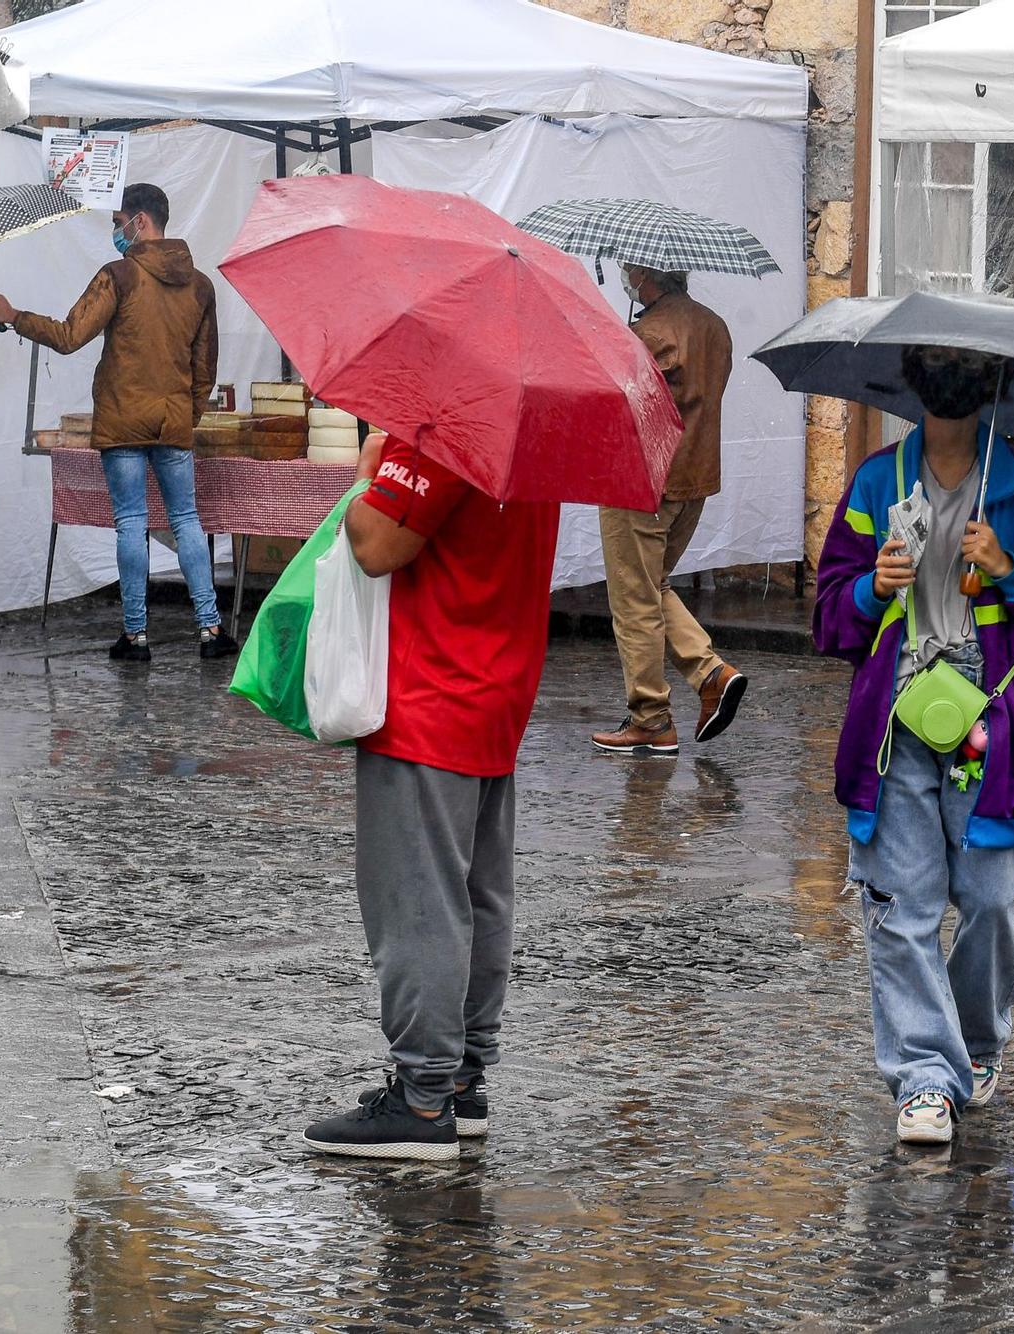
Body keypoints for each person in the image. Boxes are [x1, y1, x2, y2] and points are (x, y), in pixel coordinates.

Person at [814, 345, 1014, 1146]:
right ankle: (924, 1079)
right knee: (900, 906)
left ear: (990, 386)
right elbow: (830, 618)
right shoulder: (877, 483)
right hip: (896, 731)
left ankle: (975, 1047)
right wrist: (873, 587)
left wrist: (1011, 569)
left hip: (990, 732)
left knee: (987, 899)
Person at [302, 427, 561, 1161]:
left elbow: (378, 544)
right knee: (477, 896)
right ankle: (460, 1082)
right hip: (495, 684)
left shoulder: (448, 428)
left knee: (417, 900)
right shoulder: (532, 434)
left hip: (430, 691)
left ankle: (421, 1100)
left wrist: (365, 474)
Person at [0, 184, 236, 661]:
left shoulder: (118, 276)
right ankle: (210, 630)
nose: (114, 231)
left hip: (122, 421)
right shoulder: (200, 285)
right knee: (186, 520)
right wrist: (186, 413)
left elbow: (67, 336)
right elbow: (206, 367)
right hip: (173, 423)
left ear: (140, 221)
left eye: (117, 222)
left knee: (131, 523)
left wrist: (13, 315)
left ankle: (136, 637)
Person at [591, 266, 745, 758]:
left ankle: (651, 718)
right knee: (652, 585)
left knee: (634, 597)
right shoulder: (713, 325)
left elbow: (619, 403)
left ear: (645, 274)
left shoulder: (649, 333)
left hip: (643, 482)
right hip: (692, 479)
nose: (622, 274)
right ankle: (710, 674)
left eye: (627, 268)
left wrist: (616, 346)